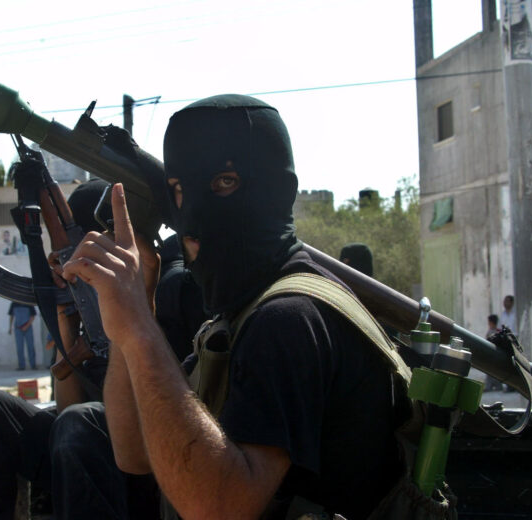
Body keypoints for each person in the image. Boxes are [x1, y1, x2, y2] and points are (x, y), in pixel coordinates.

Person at [62, 95, 407, 518]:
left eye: (224, 182)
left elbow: (219, 509)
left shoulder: (289, 319)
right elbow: (134, 454)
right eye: (179, 191)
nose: (195, 215)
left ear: (279, 191)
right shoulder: (243, 312)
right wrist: (135, 315)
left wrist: (139, 328)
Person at [0, 179, 204, 520]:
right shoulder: (87, 298)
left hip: (147, 466)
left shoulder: (165, 290)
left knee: (77, 424)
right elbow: (68, 404)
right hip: (82, 454)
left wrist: (132, 315)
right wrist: (66, 318)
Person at [8, 302, 37, 371]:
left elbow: (32, 316)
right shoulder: (13, 303)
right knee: (19, 348)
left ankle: (33, 365)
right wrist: (10, 327)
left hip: (28, 328)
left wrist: (26, 326)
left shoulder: (28, 302)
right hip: (18, 328)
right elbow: (11, 316)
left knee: (30, 346)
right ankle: (21, 366)